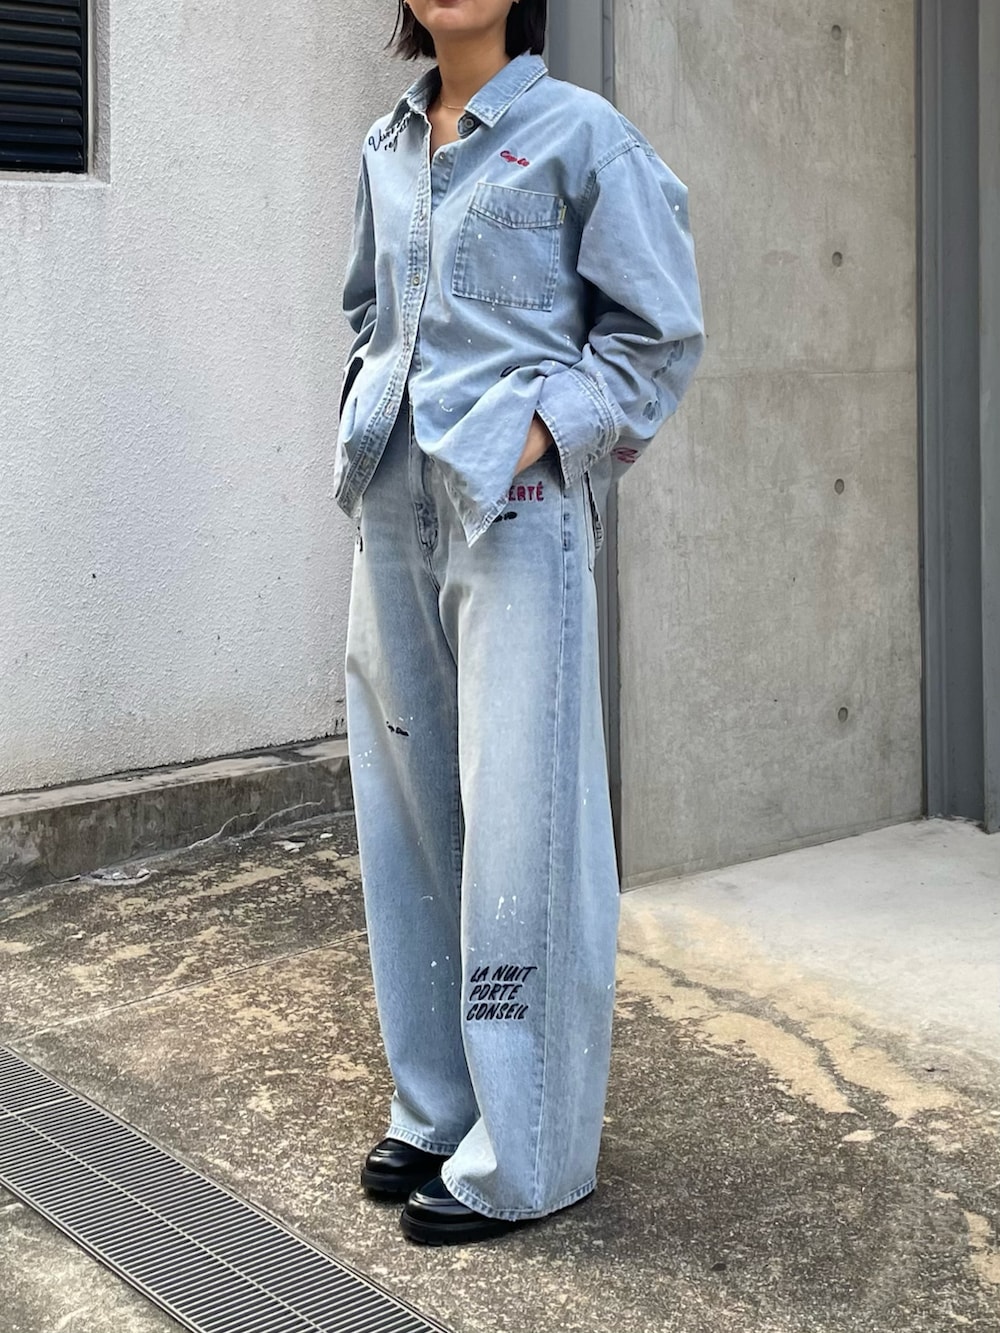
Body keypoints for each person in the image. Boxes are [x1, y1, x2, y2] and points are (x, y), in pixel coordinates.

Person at [337, 0, 704, 1246]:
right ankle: (437, 1105)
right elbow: (368, 306)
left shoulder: (581, 134)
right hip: (393, 505)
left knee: (521, 829)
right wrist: (368, 402)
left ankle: (529, 1149)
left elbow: (657, 330)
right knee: (405, 809)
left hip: (514, 511)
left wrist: (540, 433)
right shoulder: (386, 144)